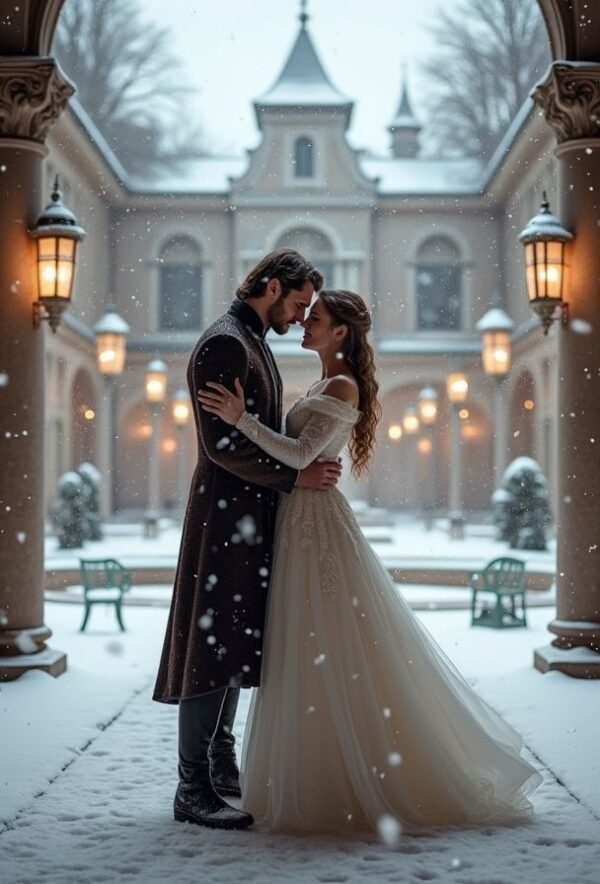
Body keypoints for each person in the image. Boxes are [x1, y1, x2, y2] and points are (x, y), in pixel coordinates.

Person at [198, 288, 543, 834]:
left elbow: (298, 455)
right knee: (308, 641)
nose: (304, 324)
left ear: (340, 333)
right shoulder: (323, 381)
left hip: (315, 525)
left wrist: (241, 418)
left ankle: (350, 772)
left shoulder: (340, 384)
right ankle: (318, 765)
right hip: (299, 517)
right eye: (305, 315)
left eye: (316, 319)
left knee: (325, 639)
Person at [153, 249, 342, 831]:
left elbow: (252, 434)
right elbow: (221, 447)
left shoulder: (249, 338)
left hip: (246, 517)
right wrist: (294, 477)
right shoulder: (227, 342)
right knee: (213, 649)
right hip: (225, 518)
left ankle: (220, 768)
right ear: (272, 285)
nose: (301, 315)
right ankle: (193, 789)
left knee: (232, 646)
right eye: (299, 302)